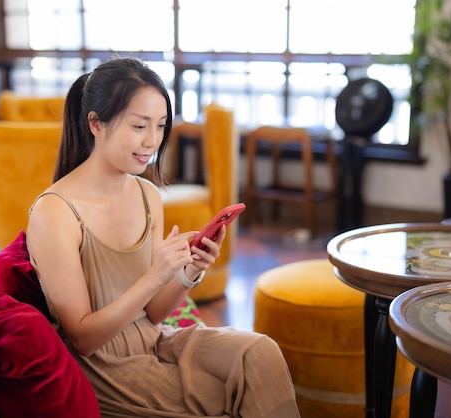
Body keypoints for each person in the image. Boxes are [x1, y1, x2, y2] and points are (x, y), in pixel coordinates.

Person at [26, 56, 300, 418]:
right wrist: (155, 274)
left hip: (155, 341)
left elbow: (153, 315)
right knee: (222, 395)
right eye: (139, 126)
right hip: (106, 370)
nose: (152, 141)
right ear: (95, 123)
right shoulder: (55, 212)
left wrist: (188, 272)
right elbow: (83, 339)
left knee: (259, 353)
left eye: (160, 126)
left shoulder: (147, 195)